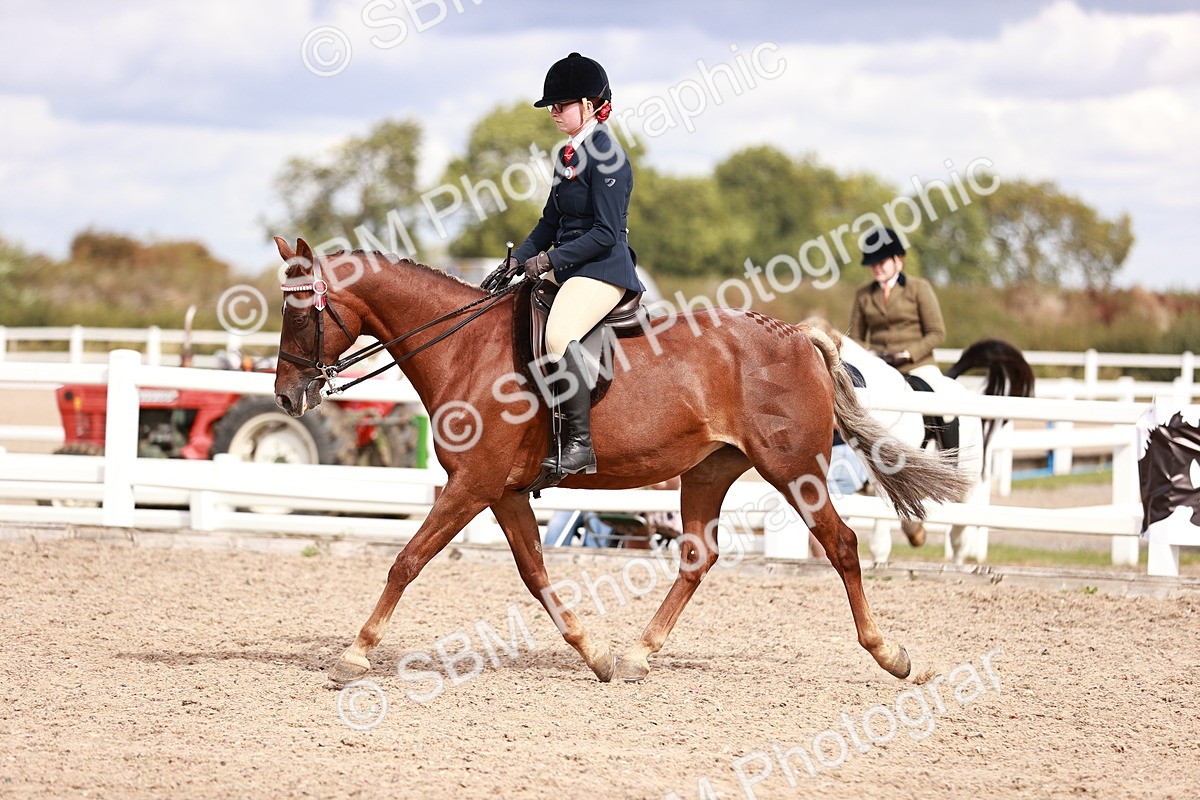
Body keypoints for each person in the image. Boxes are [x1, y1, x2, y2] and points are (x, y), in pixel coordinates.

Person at [491, 52, 644, 490]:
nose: (554, 112)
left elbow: (605, 234)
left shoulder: (608, 156)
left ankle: (578, 445)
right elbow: (548, 223)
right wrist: (519, 258)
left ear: (591, 105)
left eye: (561, 105)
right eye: (552, 107)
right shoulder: (567, 156)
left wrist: (551, 262)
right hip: (572, 267)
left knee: (559, 336)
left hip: (603, 270)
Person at [848, 226, 946, 385]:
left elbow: (936, 333)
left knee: (937, 397)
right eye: (872, 264)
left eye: (881, 262)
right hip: (878, 366)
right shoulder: (863, 294)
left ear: (898, 260)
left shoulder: (919, 288)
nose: (876, 268)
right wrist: (870, 352)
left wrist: (909, 353)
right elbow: (855, 338)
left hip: (918, 366)